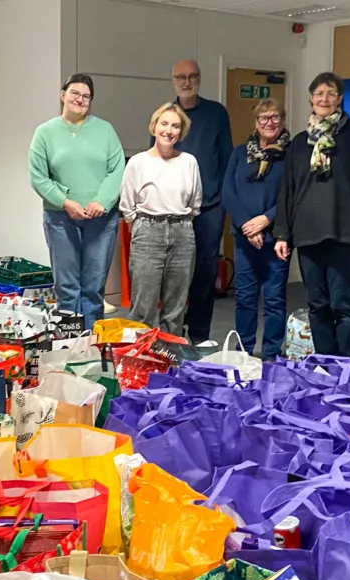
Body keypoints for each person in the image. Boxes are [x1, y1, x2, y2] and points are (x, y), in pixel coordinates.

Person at [273, 72, 350, 360]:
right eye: (319, 93)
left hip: (346, 232)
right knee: (317, 304)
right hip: (308, 233)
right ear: (311, 98)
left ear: (340, 99)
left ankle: (347, 364)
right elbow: (288, 190)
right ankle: (324, 362)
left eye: (331, 93)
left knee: (344, 305)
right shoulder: (299, 143)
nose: (324, 99)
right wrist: (282, 233)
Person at [29, 74, 125, 330]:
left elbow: (117, 170)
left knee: (93, 289)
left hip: (101, 221)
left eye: (86, 96)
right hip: (61, 219)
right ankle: (68, 346)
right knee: (68, 288)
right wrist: (64, 202)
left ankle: (93, 347)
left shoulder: (105, 130)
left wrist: (103, 201)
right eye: (75, 93)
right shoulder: (45, 133)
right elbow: (38, 178)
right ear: (63, 95)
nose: (80, 99)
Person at [160, 59, 233, 343]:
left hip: (210, 207)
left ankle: (200, 335)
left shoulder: (216, 113)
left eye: (192, 76)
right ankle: (173, 334)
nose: (186, 82)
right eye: (180, 77)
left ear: (199, 79)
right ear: (172, 80)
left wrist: (224, 204)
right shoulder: (167, 116)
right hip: (174, 210)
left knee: (204, 274)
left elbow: (226, 159)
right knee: (175, 275)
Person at [121, 103, 202, 335]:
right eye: (164, 123)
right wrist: (146, 228)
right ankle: (138, 362)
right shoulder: (138, 162)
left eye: (175, 126)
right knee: (142, 306)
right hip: (147, 231)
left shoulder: (189, 162)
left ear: (182, 131)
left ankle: (170, 361)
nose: (169, 130)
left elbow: (195, 204)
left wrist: (178, 226)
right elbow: (127, 206)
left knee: (175, 308)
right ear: (154, 126)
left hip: (183, 233)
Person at [221, 98, 291, 361]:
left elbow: (291, 195)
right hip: (244, 238)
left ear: (283, 120)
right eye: (264, 118)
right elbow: (228, 192)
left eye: (275, 117)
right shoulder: (240, 153)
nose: (269, 122)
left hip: (277, 239)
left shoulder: (291, 154)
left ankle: (272, 353)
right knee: (245, 299)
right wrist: (248, 227)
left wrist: (266, 220)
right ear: (255, 123)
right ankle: (244, 352)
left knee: (274, 300)